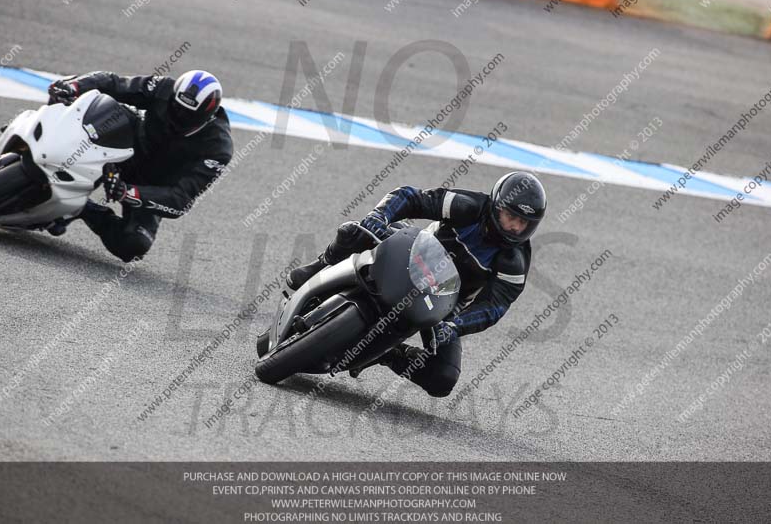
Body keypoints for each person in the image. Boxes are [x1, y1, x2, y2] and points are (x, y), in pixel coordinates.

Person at [287, 171, 546, 397]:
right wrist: (379, 215)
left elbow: (494, 307)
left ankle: (388, 353)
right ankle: (321, 265)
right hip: (411, 255)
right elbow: (411, 197)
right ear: (496, 206)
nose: (514, 227)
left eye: (522, 223)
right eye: (509, 216)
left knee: (443, 378)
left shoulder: (514, 263)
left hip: (446, 303)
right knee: (352, 231)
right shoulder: (466, 206)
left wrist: (455, 326)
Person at [46, 70, 234, 262]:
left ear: (206, 115)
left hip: (150, 185)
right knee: (93, 106)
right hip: (125, 145)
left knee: (134, 244)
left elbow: (180, 200)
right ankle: (46, 151)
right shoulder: (164, 88)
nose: (178, 115)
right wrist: (76, 85)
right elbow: (114, 83)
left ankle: (81, 208)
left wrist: (127, 192)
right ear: (174, 96)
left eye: (188, 114)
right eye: (176, 107)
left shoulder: (218, 149)